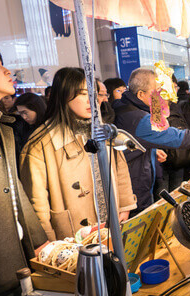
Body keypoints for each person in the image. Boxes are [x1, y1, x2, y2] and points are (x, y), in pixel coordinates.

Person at [19, 67, 137, 241]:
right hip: (70, 236)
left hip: (110, 221)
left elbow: (120, 169)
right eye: (82, 93)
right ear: (63, 95)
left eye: (94, 92)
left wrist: (125, 205)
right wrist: (47, 242)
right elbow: (36, 204)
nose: (92, 99)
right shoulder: (40, 144)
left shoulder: (102, 129)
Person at [113, 68, 190, 215]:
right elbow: (180, 138)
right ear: (141, 94)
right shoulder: (140, 118)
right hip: (134, 187)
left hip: (136, 179)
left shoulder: (124, 106)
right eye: (157, 91)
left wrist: (151, 149)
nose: (161, 96)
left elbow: (135, 138)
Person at [0, 49, 47, 296]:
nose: (7, 71)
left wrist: (37, 240)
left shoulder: (3, 128)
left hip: (18, 257)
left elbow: (13, 188)